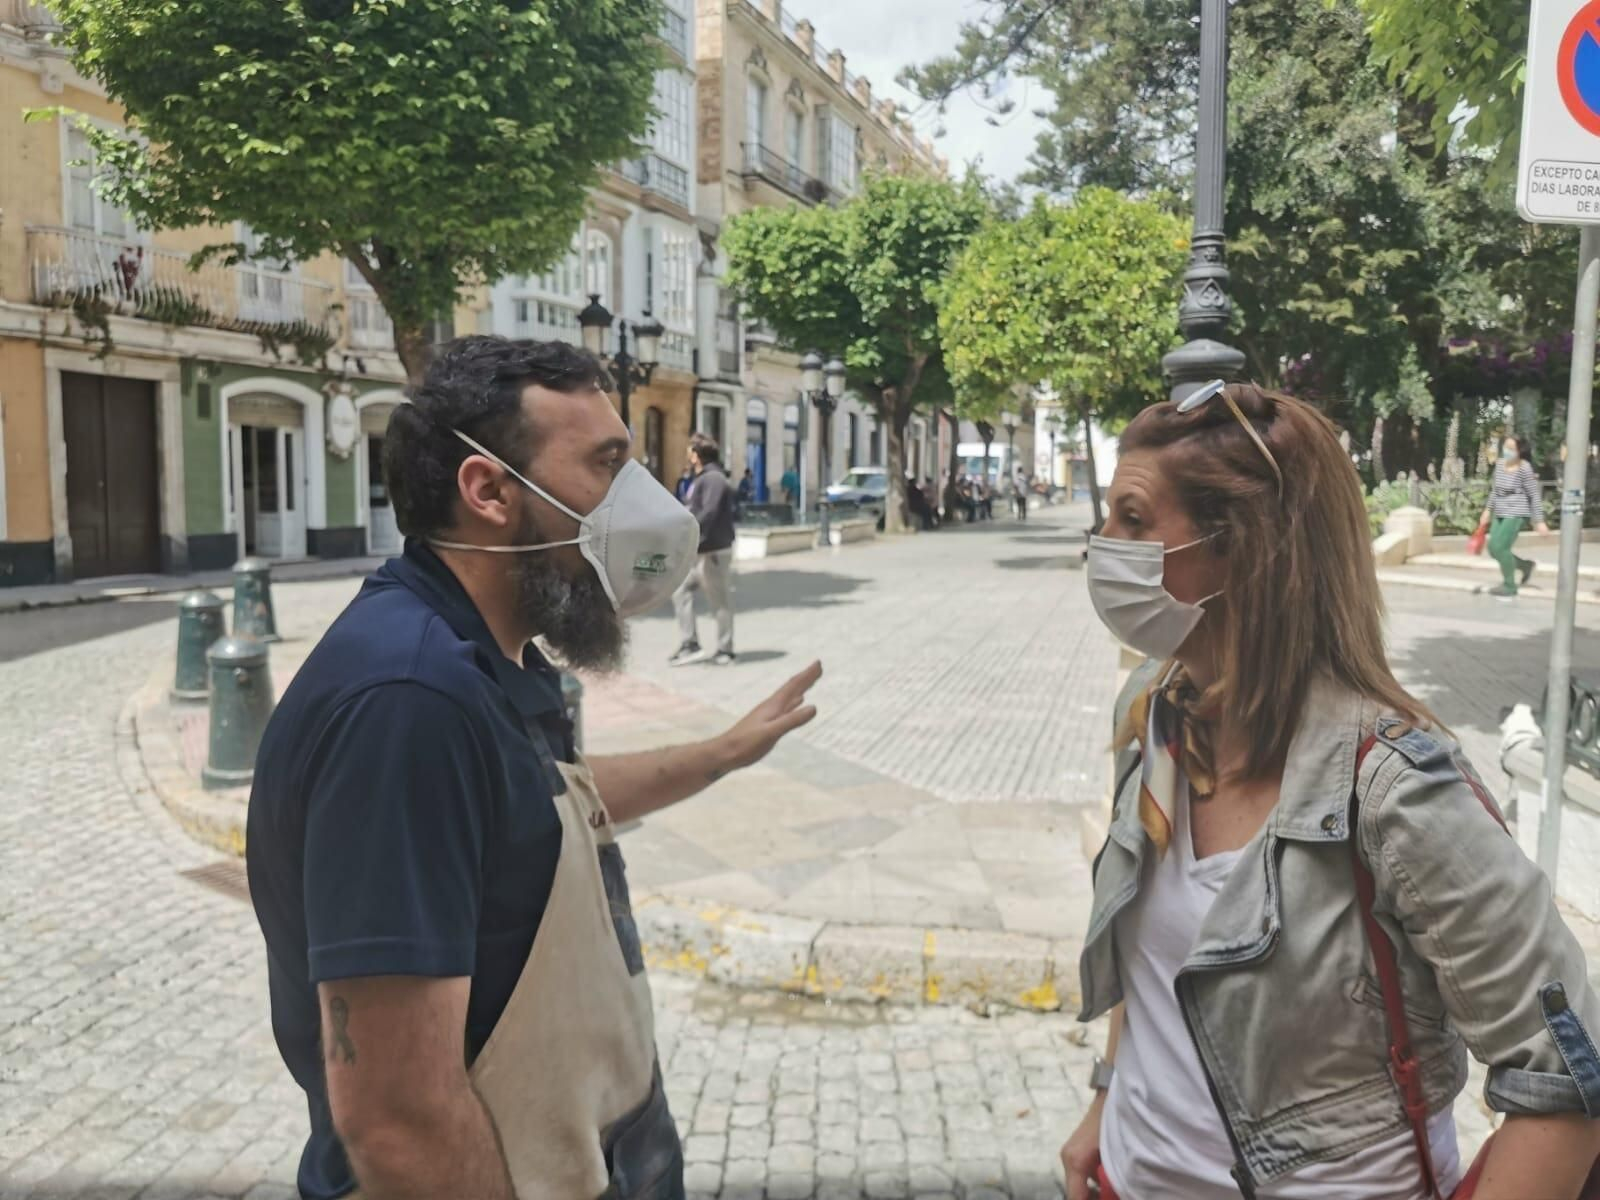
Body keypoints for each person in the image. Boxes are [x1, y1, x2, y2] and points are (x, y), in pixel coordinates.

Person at [246, 337, 822, 1200]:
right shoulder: (407, 704)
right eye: (606, 466)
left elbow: (538, 806)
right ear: (487, 491)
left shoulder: (487, 659)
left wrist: (718, 755)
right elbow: (397, 1119)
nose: (643, 502)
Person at [1064, 380, 1600, 1200]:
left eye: (1133, 521)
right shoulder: (1156, 710)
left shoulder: (1394, 788)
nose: (1102, 546)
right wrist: (1107, 1102)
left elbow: (1566, 1079)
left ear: (1240, 548)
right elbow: (1155, 957)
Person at [670, 434, 738, 666]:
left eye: (690, 451)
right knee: (680, 590)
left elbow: (707, 514)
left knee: (719, 601)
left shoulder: (714, 479)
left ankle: (725, 649)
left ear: (697, 455)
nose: (687, 456)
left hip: (713, 552)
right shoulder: (701, 479)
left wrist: (689, 539)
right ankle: (690, 643)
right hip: (700, 550)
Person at [1480, 435, 1550, 601]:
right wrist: (1487, 511)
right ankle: (1526, 566)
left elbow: (1533, 495)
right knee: (1492, 548)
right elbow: (1494, 490)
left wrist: (1539, 520)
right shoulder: (1499, 465)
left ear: (1520, 451)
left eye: (1512, 448)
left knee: (1501, 548)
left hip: (1517, 511)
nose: (1507, 451)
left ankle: (1510, 586)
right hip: (1500, 510)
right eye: (1506, 447)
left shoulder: (1524, 468)